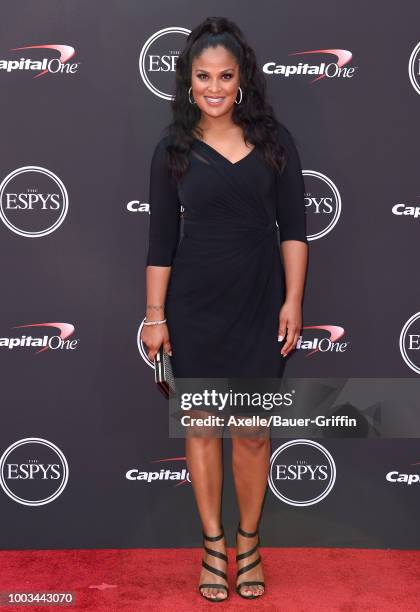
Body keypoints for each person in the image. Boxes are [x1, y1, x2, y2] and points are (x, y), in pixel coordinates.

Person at [140, 16, 308, 602]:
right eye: (203, 76)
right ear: (188, 81)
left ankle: (250, 542)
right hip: (195, 304)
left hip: (261, 300)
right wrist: (155, 315)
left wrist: (293, 300)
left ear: (243, 80)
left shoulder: (274, 140)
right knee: (204, 428)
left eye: (226, 76)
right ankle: (213, 548)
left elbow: (295, 230)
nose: (215, 87)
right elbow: (161, 241)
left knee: (253, 434)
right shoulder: (173, 148)